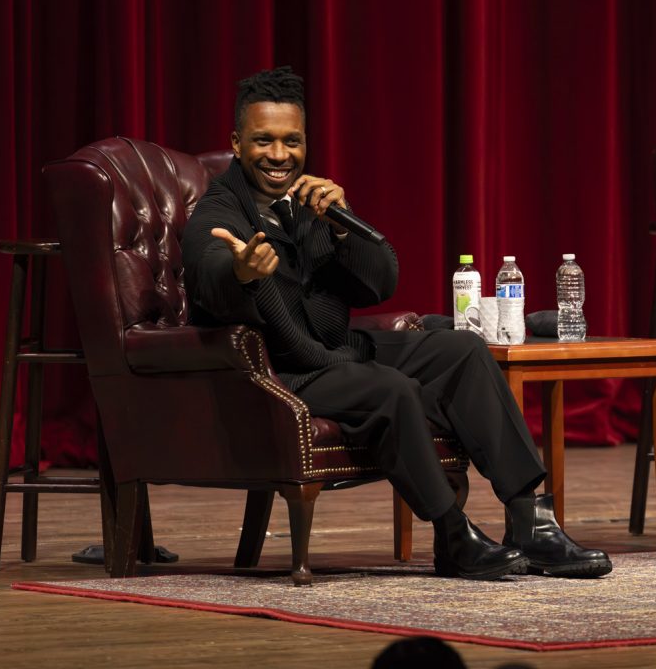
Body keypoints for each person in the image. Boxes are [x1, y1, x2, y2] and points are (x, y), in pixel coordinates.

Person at [182, 66, 611, 580]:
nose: (279, 155)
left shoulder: (313, 202)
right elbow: (210, 271)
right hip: (282, 370)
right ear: (236, 143)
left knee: (463, 351)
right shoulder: (219, 211)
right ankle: (454, 536)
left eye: (291, 141)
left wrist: (344, 229)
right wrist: (241, 271)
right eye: (263, 141)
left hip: (339, 351)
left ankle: (530, 522)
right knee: (391, 388)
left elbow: (380, 283)